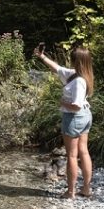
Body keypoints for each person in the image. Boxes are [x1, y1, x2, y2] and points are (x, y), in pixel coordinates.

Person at [34, 44, 94, 199]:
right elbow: (57, 68)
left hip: (75, 117)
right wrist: (42, 57)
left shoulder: (78, 81)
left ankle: (70, 192)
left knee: (72, 156)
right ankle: (86, 189)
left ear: (77, 61)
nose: (70, 61)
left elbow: (75, 106)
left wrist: (62, 103)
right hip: (85, 116)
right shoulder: (79, 75)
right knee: (84, 151)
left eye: (72, 59)